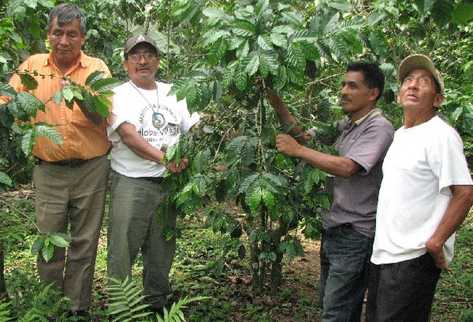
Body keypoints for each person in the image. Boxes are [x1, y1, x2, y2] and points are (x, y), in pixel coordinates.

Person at [267, 62, 394, 322]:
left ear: (373, 93)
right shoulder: (346, 125)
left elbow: (348, 167)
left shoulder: (378, 127)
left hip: (356, 234)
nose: (343, 91)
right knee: (333, 307)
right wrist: (275, 99)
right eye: (343, 84)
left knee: (336, 313)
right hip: (334, 229)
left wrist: (298, 151)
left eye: (352, 86)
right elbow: (303, 136)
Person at [6, 3, 111, 317]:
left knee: (84, 242)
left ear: (82, 38)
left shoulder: (97, 68)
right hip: (48, 170)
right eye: (58, 33)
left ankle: (77, 309)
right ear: (49, 35)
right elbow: (7, 102)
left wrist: (80, 95)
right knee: (49, 241)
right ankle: (52, 308)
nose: (64, 40)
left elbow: (103, 116)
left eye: (71, 34)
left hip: (91, 168)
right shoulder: (33, 66)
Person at [368, 54, 473, 322]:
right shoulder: (400, 135)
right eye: (408, 80)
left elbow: (464, 192)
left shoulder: (441, 135)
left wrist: (437, 240)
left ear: (437, 99)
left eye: (424, 82)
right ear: (400, 92)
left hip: (413, 257)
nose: (413, 85)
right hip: (385, 255)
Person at [107, 34, 198, 313]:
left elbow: (194, 127)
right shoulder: (116, 94)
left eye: (148, 54)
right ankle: (121, 308)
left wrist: (188, 156)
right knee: (122, 249)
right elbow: (129, 136)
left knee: (162, 247)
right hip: (131, 183)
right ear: (125, 63)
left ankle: (157, 303)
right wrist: (166, 159)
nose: (142, 60)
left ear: (158, 60)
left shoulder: (174, 92)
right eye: (135, 55)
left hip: (169, 184)